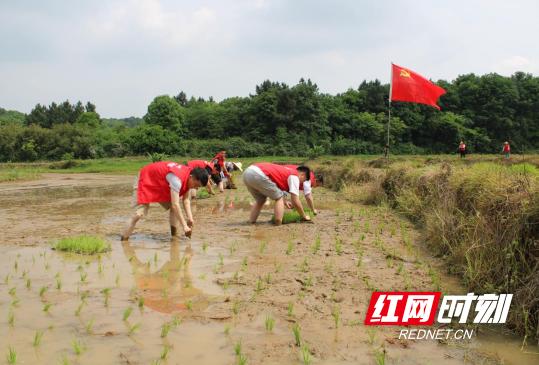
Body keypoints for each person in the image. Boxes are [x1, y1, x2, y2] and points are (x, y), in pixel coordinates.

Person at [121, 161, 209, 240]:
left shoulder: (189, 176)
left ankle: (174, 237)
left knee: (173, 209)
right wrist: (185, 226)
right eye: (196, 185)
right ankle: (124, 241)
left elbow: (186, 200)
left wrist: (190, 219)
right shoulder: (177, 179)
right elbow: (175, 204)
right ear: (191, 177)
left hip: (159, 182)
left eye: (199, 187)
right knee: (139, 214)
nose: (196, 188)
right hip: (146, 177)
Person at [243, 162, 312, 225]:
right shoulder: (295, 176)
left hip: (248, 172)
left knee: (260, 200)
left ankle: (251, 221)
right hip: (259, 174)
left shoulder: (287, 172)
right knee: (279, 198)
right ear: (302, 175)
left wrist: (285, 201)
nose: (301, 183)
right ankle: (278, 222)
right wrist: (303, 216)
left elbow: (276, 188)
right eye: (304, 181)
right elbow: (295, 200)